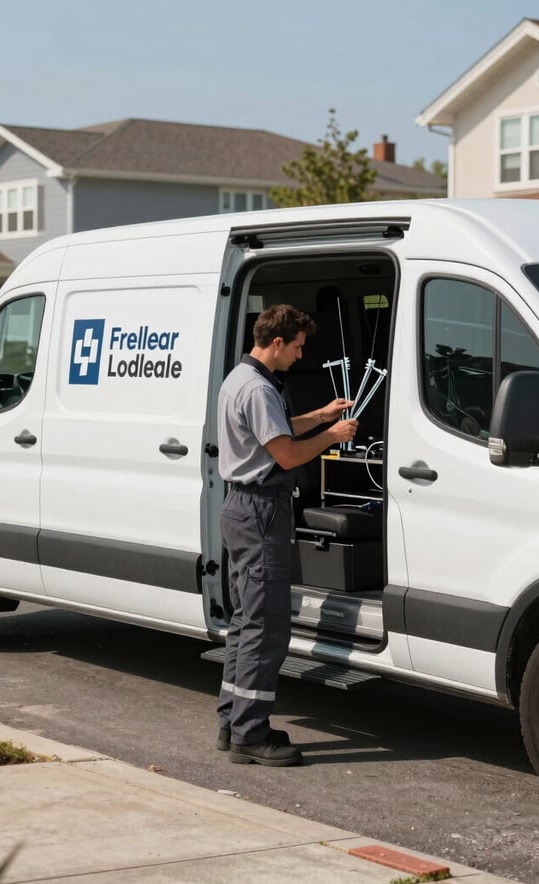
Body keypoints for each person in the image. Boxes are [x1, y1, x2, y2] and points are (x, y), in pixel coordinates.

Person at [216, 303, 358, 766]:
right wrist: (334, 435)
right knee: (267, 625)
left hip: (242, 507)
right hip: (261, 511)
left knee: (244, 620)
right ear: (277, 342)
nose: (300, 356)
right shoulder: (258, 389)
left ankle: (233, 721)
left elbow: (274, 431)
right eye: (297, 347)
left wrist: (319, 415)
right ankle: (250, 736)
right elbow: (288, 455)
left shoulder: (241, 378)